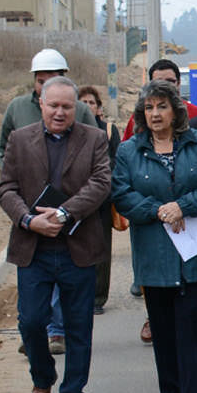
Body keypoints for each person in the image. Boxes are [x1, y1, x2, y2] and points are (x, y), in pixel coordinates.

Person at [0, 76, 112, 393]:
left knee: (79, 327)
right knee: (31, 322)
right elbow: (6, 187)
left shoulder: (93, 139)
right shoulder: (20, 139)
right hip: (34, 249)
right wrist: (29, 220)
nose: (60, 112)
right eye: (53, 106)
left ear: (76, 108)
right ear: (41, 104)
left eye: (67, 106)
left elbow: (102, 182)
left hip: (77, 246)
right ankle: (42, 377)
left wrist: (64, 213)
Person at [112, 80, 197, 393]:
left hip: (194, 250)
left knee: (190, 323)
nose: (155, 114)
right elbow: (121, 192)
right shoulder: (129, 151)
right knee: (161, 325)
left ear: (175, 110)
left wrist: (184, 206)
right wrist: (159, 210)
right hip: (154, 250)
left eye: (161, 106)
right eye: (149, 108)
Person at [0, 49, 98, 352]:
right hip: (30, 212)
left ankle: (57, 330)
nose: (58, 111)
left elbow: (96, 160)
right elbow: (4, 148)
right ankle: (37, 337)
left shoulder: (79, 110)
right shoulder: (17, 108)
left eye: (51, 79)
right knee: (32, 301)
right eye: (40, 81)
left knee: (67, 288)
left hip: (70, 214)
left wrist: (69, 207)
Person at [76, 84, 122, 313]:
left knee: (101, 249)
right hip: (75, 201)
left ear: (98, 107)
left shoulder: (109, 131)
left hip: (102, 199)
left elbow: (117, 162)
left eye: (91, 103)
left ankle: (97, 297)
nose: (87, 107)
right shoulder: (71, 132)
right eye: (82, 102)